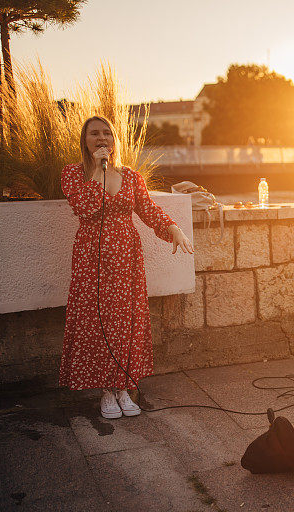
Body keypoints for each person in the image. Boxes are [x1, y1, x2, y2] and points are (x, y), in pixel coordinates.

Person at [60, 116, 194, 419]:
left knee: (124, 322)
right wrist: (98, 170)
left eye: (107, 132)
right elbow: (83, 206)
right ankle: (105, 390)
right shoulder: (73, 174)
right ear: (85, 140)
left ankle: (122, 386)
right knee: (97, 322)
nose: (101, 137)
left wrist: (174, 229)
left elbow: (148, 209)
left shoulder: (131, 176)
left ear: (114, 139)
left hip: (126, 259)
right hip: (91, 258)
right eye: (94, 133)